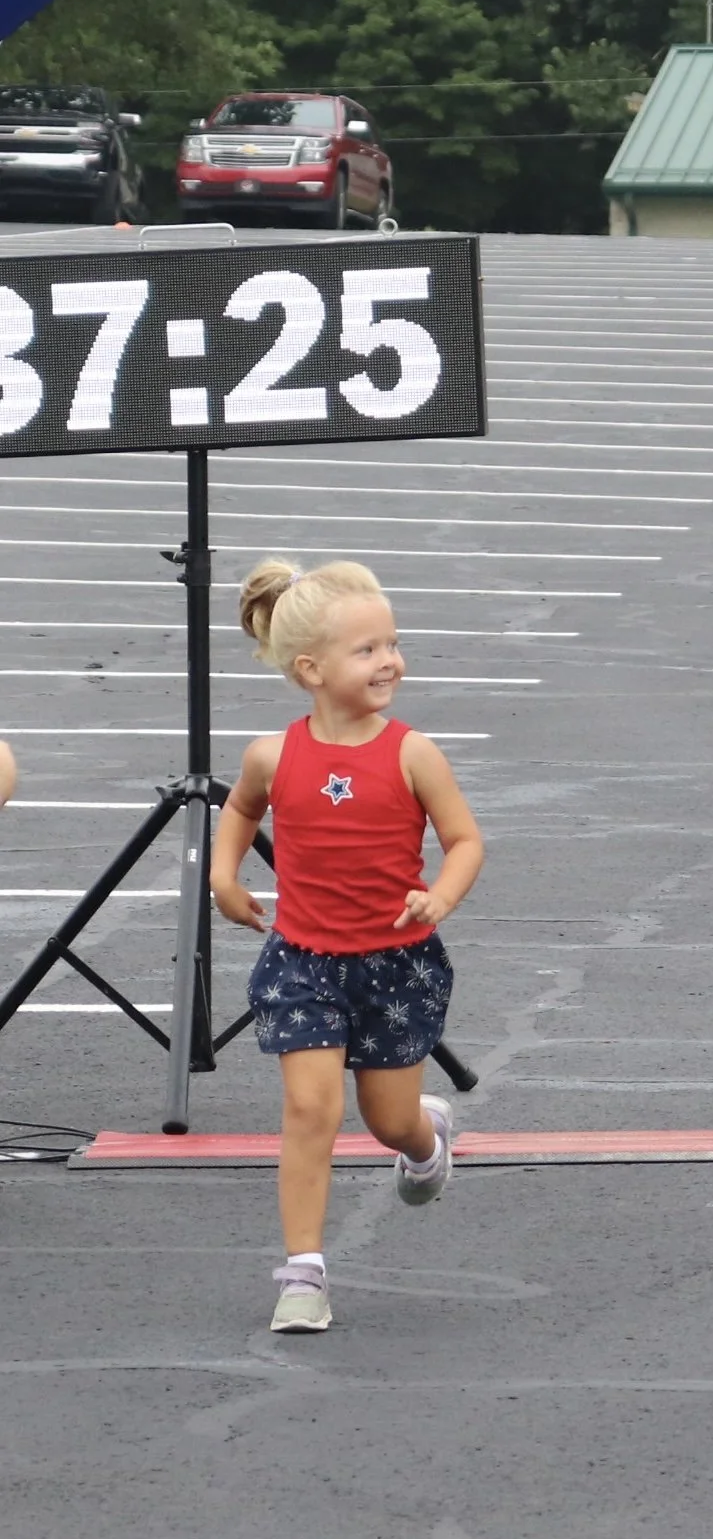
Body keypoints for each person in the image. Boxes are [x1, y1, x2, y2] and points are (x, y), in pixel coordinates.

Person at [210, 558, 485, 1334]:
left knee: (387, 1121)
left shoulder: (411, 752)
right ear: (310, 669)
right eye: (367, 650)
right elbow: (239, 807)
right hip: (303, 962)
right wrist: (224, 878)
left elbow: (463, 840)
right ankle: (304, 1272)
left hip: (395, 963)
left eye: (391, 643)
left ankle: (424, 1141)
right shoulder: (272, 754)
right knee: (309, 1107)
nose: (389, 660)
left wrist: (440, 893)